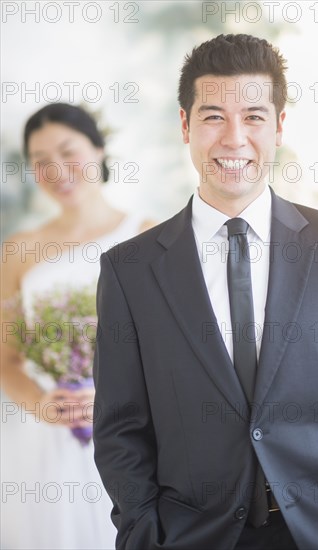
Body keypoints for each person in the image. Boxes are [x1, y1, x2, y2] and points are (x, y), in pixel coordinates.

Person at [93, 34, 318, 550]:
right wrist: (143, 532)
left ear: (278, 125)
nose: (233, 139)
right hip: (193, 535)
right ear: (185, 126)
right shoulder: (129, 270)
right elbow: (121, 429)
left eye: (252, 115)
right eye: (212, 117)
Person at [0, 102, 154, 549]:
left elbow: (169, 353)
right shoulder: (19, 250)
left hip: (132, 435)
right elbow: (6, 358)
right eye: (41, 161)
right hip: (45, 442)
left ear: (100, 149)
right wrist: (41, 405)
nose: (57, 170)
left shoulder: (148, 236)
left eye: (69, 152)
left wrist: (112, 399)